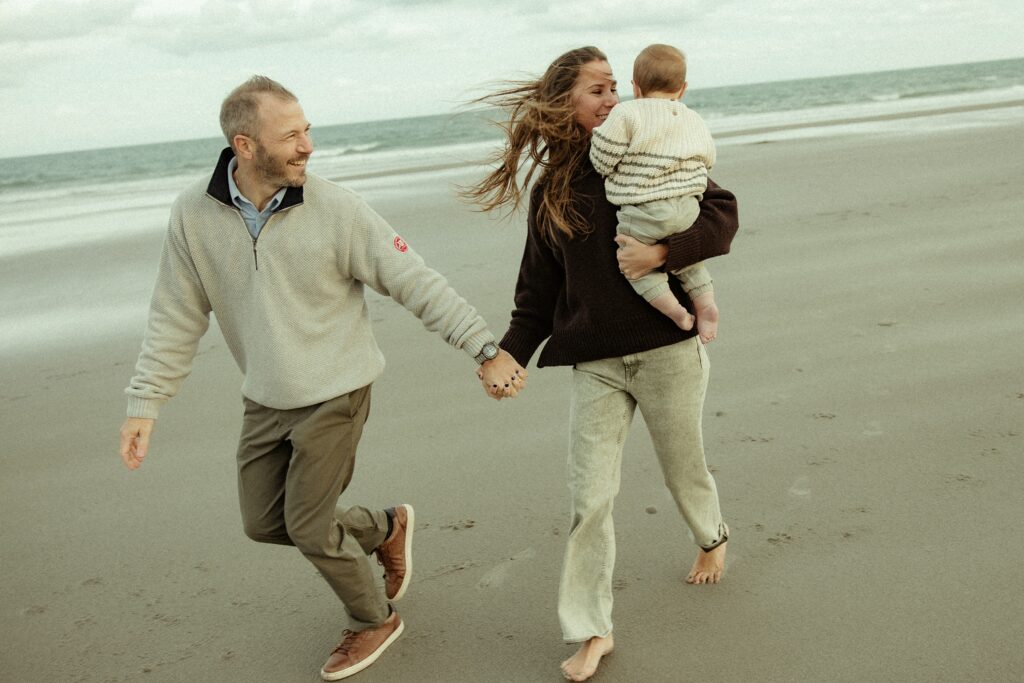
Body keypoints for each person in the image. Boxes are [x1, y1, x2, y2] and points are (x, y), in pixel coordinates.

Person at [117, 75, 526, 681]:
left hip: (337, 390)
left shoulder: (337, 209)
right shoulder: (193, 216)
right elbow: (175, 315)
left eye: (307, 129)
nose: (308, 145)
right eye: (291, 135)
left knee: (309, 524)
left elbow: (415, 280)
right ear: (245, 146)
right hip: (265, 396)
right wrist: (145, 404)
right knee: (264, 523)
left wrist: (484, 346)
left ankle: (373, 618)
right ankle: (385, 528)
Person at [465, 47, 737, 681]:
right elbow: (536, 289)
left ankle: (711, 534)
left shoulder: (648, 150)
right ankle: (591, 629)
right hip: (596, 363)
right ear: (567, 103)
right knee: (589, 499)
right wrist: (509, 350)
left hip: (668, 350)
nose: (612, 100)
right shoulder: (552, 191)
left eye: (615, 87)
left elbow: (721, 216)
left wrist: (665, 250)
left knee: (683, 468)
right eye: (597, 90)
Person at [590, 43, 720, 342]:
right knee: (691, 262)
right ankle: (706, 303)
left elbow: (604, 157)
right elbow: (708, 158)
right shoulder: (693, 118)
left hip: (645, 210)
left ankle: (675, 311)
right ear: (683, 89)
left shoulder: (626, 113)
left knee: (634, 265)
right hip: (688, 209)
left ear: (635, 87)